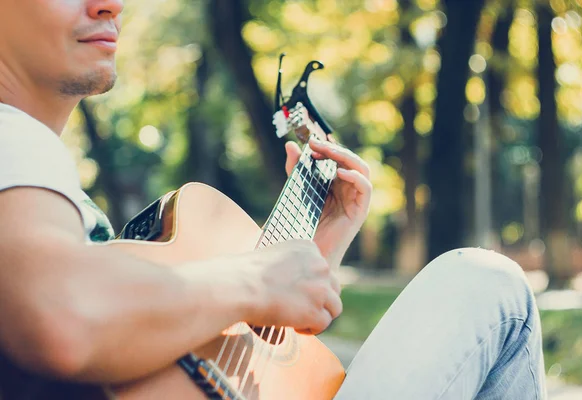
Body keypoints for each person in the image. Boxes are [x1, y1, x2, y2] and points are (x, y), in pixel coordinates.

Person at [0, 1, 546, 399]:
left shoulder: (48, 196)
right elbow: (62, 320)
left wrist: (308, 255)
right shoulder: (12, 134)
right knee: (489, 287)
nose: (111, 4)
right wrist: (257, 280)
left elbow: (172, 366)